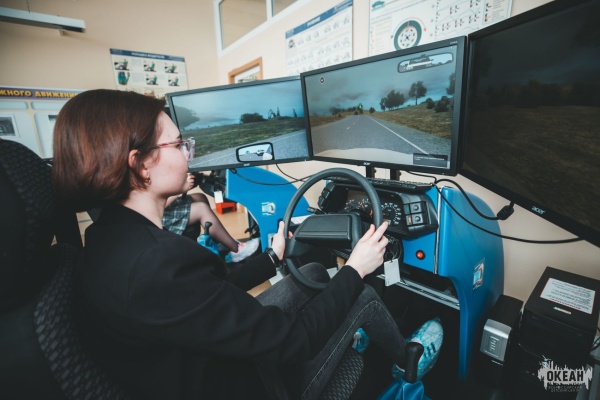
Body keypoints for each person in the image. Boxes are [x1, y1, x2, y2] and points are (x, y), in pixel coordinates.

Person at [52, 89, 442, 400]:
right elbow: (296, 342)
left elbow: (207, 293)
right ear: (141, 164)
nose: (189, 153)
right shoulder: (155, 262)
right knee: (360, 295)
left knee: (311, 271)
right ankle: (406, 363)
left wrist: (272, 256)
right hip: (259, 386)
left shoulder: (108, 238)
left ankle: (354, 329)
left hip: (212, 360)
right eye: (179, 144)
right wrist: (357, 267)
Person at [163, 172, 260, 262]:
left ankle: (219, 243)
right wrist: (180, 189)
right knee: (201, 209)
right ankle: (236, 250)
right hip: (161, 216)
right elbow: (157, 205)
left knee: (200, 197)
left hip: (168, 207)